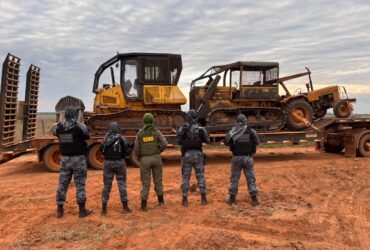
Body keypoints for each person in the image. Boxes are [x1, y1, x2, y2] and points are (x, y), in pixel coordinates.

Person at [54, 106, 93, 218]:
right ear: (74, 115)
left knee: (62, 184)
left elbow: (55, 133)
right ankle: (82, 211)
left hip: (65, 159)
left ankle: (59, 210)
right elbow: (87, 136)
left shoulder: (59, 127)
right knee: (80, 184)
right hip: (78, 159)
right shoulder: (79, 126)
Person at [224, 114, 260, 207]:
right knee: (251, 178)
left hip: (236, 158)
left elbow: (226, 142)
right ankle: (254, 200)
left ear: (237, 121)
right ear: (245, 121)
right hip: (248, 158)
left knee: (234, 179)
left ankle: (232, 199)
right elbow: (257, 142)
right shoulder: (251, 131)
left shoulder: (233, 131)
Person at [134, 113, 168, 211]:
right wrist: (159, 151)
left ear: (144, 121)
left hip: (145, 160)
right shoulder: (156, 132)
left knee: (145, 183)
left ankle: (143, 206)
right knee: (158, 181)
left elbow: (136, 149)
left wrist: (140, 158)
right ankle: (161, 201)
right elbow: (165, 143)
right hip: (156, 158)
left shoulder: (140, 133)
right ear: (152, 120)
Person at [176, 109, 210, 207]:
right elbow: (207, 140)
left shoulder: (183, 128)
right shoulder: (201, 129)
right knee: (200, 176)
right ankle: (203, 199)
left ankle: (185, 200)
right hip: (198, 154)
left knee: (186, 177)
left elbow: (178, 141)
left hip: (186, 155)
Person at [100, 122, 132, 215]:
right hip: (119, 162)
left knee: (107, 186)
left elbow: (101, 149)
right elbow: (127, 150)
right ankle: (125, 207)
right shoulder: (121, 138)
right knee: (122, 184)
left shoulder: (105, 138)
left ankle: (104, 209)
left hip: (108, 163)